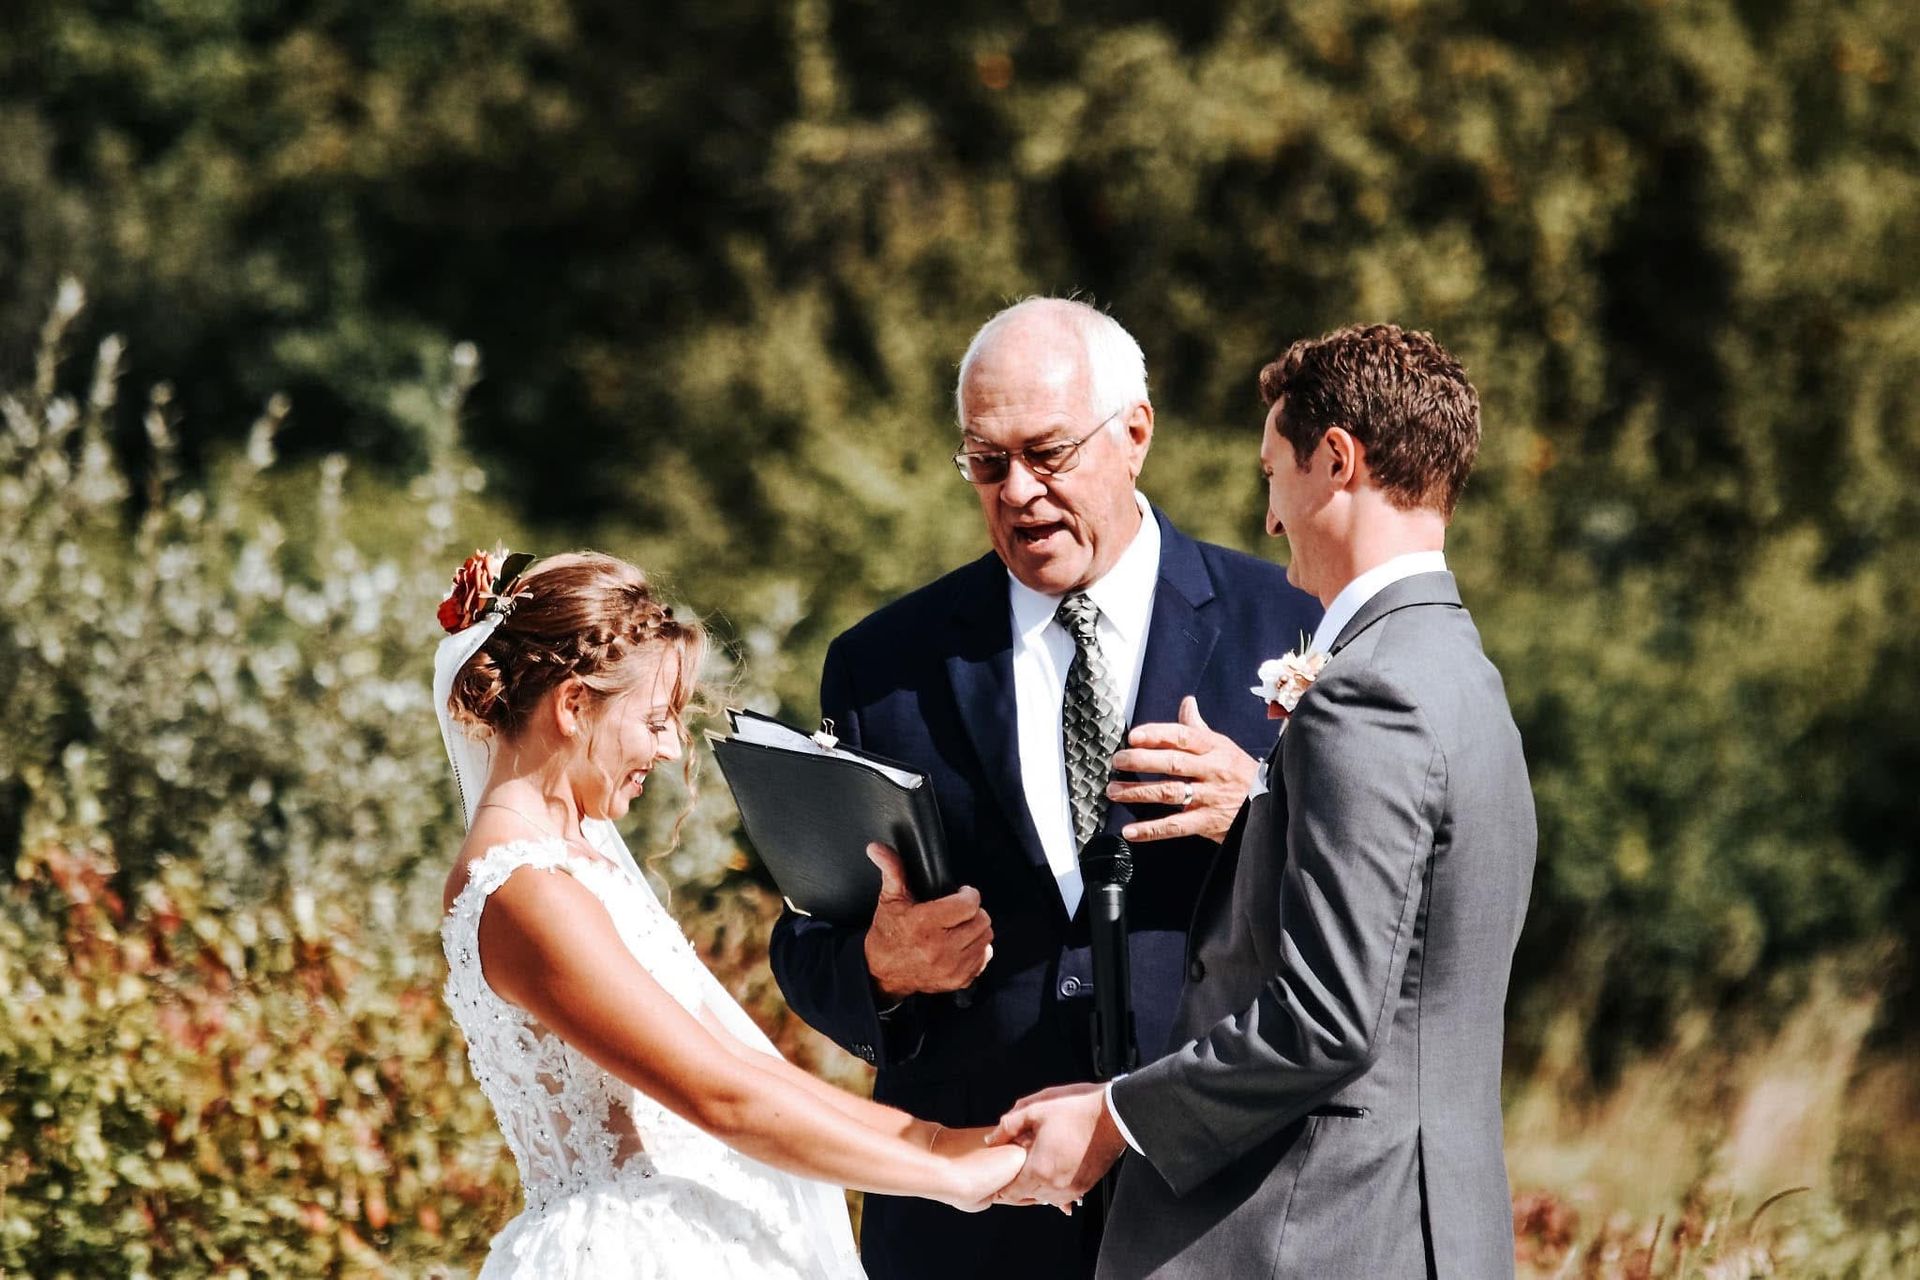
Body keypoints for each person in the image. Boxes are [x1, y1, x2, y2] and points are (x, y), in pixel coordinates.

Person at [768, 299, 1322, 1278]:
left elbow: (1394, 899)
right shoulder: (881, 662)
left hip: (1221, 1207)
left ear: (1135, 434)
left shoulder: (1294, 624)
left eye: (1049, 453)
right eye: (987, 461)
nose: (1018, 491)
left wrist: (1262, 813)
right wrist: (882, 965)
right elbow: (808, 943)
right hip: (970, 1221)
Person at [986, 324, 1538, 1279]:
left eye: (1273, 472)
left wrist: (1118, 1118)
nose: (1272, 517)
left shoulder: (1370, 692)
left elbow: (1326, 1016)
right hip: (1429, 1227)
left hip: (1326, 1231)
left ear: (1337, 461)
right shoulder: (1461, 673)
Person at [431, 551, 1026, 1279]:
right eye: (653, 721)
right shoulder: (523, 890)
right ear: (573, 705)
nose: (671, 747)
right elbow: (722, 1097)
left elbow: (746, 1066)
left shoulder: (571, 863)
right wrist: (950, 1180)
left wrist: (942, 1142)